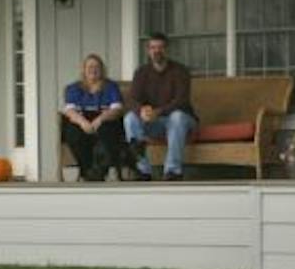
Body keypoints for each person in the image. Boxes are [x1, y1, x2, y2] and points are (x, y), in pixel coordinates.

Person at [123, 32, 196, 181]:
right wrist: (141, 110)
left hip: (181, 121)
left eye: (160, 47)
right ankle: (142, 170)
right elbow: (132, 99)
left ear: (167, 50)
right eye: (153, 47)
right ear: (148, 51)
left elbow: (181, 100)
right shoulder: (142, 72)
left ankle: (173, 171)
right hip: (154, 122)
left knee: (177, 117)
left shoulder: (180, 71)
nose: (157, 51)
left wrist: (159, 111)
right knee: (130, 118)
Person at [59, 53, 130, 181]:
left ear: (102, 70)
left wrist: (100, 119)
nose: (93, 70)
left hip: (105, 119)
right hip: (82, 119)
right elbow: (69, 111)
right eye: (89, 67)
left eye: (97, 67)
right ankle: (87, 171)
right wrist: (82, 123)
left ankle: (99, 172)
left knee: (107, 131)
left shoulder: (111, 86)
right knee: (72, 132)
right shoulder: (74, 88)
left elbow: (117, 108)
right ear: (84, 70)